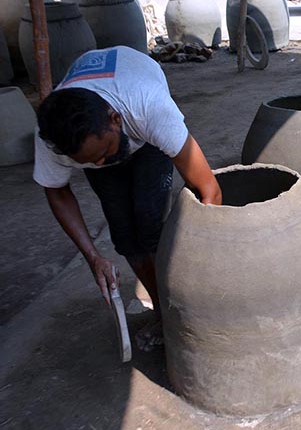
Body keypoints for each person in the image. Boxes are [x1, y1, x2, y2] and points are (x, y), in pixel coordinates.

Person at [34, 45, 222, 350]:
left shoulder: (148, 106)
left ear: (114, 119)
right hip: (102, 128)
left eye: (104, 153)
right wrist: (93, 257)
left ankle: (183, 307)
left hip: (142, 133)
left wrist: (210, 260)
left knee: (150, 222)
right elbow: (57, 192)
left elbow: (209, 188)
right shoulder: (53, 137)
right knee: (125, 235)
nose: (99, 165)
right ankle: (163, 311)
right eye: (88, 162)